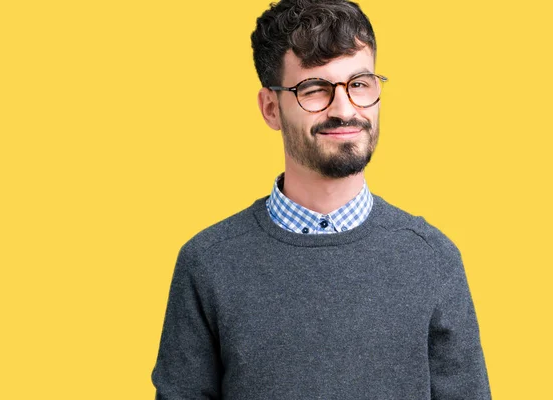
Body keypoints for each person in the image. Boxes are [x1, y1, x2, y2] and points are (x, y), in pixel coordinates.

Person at [151, 0, 491, 398]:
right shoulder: (207, 262)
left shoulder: (433, 258)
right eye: (314, 89)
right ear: (270, 108)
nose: (344, 109)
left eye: (360, 84)